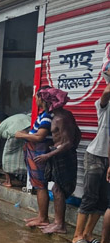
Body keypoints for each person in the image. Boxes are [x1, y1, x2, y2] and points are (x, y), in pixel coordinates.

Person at [33, 88, 81, 235]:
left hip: (62, 156)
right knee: (56, 189)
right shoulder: (63, 115)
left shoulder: (60, 118)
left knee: (58, 190)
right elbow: (77, 134)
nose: (40, 102)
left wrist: (48, 155)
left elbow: (68, 143)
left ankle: (60, 225)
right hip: (60, 154)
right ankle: (57, 223)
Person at [70, 84, 110, 243]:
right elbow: (106, 91)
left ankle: (87, 233)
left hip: (108, 161)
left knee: (102, 200)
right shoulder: (104, 106)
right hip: (95, 155)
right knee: (90, 197)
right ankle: (77, 235)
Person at [15, 88, 54, 228]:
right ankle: (40, 216)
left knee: (41, 186)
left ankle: (43, 218)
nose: (35, 100)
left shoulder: (47, 116)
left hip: (38, 155)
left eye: (37, 97)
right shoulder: (43, 115)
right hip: (35, 154)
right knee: (39, 186)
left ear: (41, 99)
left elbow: (40, 136)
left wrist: (22, 135)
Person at [0, 113, 31, 187]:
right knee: (23, 156)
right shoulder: (15, 118)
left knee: (6, 158)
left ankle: (8, 181)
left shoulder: (2, 124)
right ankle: (26, 180)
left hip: (15, 134)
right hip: (29, 130)